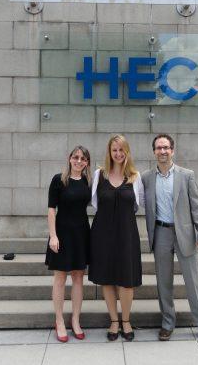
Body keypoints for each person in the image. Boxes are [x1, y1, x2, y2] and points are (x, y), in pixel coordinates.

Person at [141, 133, 198, 344]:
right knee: (164, 283)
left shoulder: (186, 175)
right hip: (161, 233)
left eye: (166, 147)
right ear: (154, 151)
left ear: (172, 150)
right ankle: (167, 324)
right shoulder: (147, 178)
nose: (162, 151)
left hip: (185, 233)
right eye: (158, 148)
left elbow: (197, 205)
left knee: (194, 282)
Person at [88, 134, 144, 341]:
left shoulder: (136, 177)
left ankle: (126, 321)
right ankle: (113, 321)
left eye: (122, 150)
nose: (118, 154)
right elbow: (94, 203)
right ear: (109, 152)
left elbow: (141, 204)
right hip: (102, 234)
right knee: (107, 279)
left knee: (127, 280)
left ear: (127, 152)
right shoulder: (98, 175)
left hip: (127, 234)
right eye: (114, 150)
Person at [45, 146, 92, 343]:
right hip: (62, 234)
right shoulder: (59, 180)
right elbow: (51, 209)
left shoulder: (89, 182)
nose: (79, 161)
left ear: (87, 162)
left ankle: (75, 320)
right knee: (60, 278)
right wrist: (53, 236)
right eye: (75, 157)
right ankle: (59, 321)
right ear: (69, 159)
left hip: (81, 234)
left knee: (79, 277)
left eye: (83, 158)